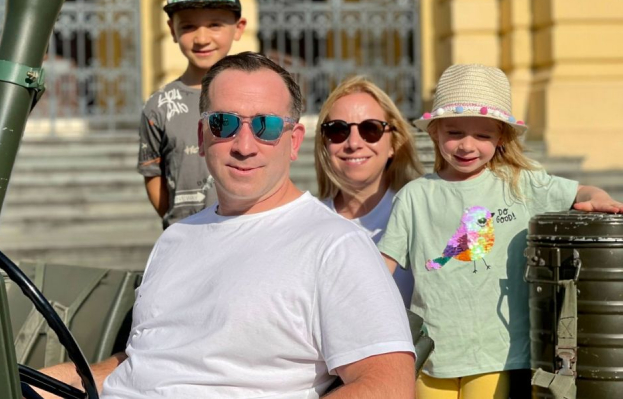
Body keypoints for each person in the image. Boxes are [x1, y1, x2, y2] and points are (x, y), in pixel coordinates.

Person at [42, 52, 416, 398]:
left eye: (267, 126)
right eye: (224, 123)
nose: (244, 145)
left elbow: (389, 384)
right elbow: (151, 359)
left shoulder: (334, 244)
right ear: (203, 137)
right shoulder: (177, 237)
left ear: (293, 141)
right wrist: (58, 379)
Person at [378, 64, 623, 399]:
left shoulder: (520, 183)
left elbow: (579, 191)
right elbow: (381, 265)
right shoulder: (414, 196)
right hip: (432, 351)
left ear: (502, 138)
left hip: (497, 351)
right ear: (434, 132)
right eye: (454, 132)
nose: (467, 145)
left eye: (482, 135)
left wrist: (598, 199)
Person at [137, 0, 247, 229]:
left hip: (249, 234)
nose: (201, 38)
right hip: (186, 240)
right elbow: (153, 174)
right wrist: (180, 224)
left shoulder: (255, 96)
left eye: (215, 25)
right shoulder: (159, 105)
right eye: (188, 26)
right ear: (172, 30)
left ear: (238, 28)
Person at [314, 76, 423, 307]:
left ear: (393, 143)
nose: (354, 143)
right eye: (337, 130)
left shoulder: (420, 215)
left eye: (370, 129)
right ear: (324, 144)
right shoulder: (308, 222)